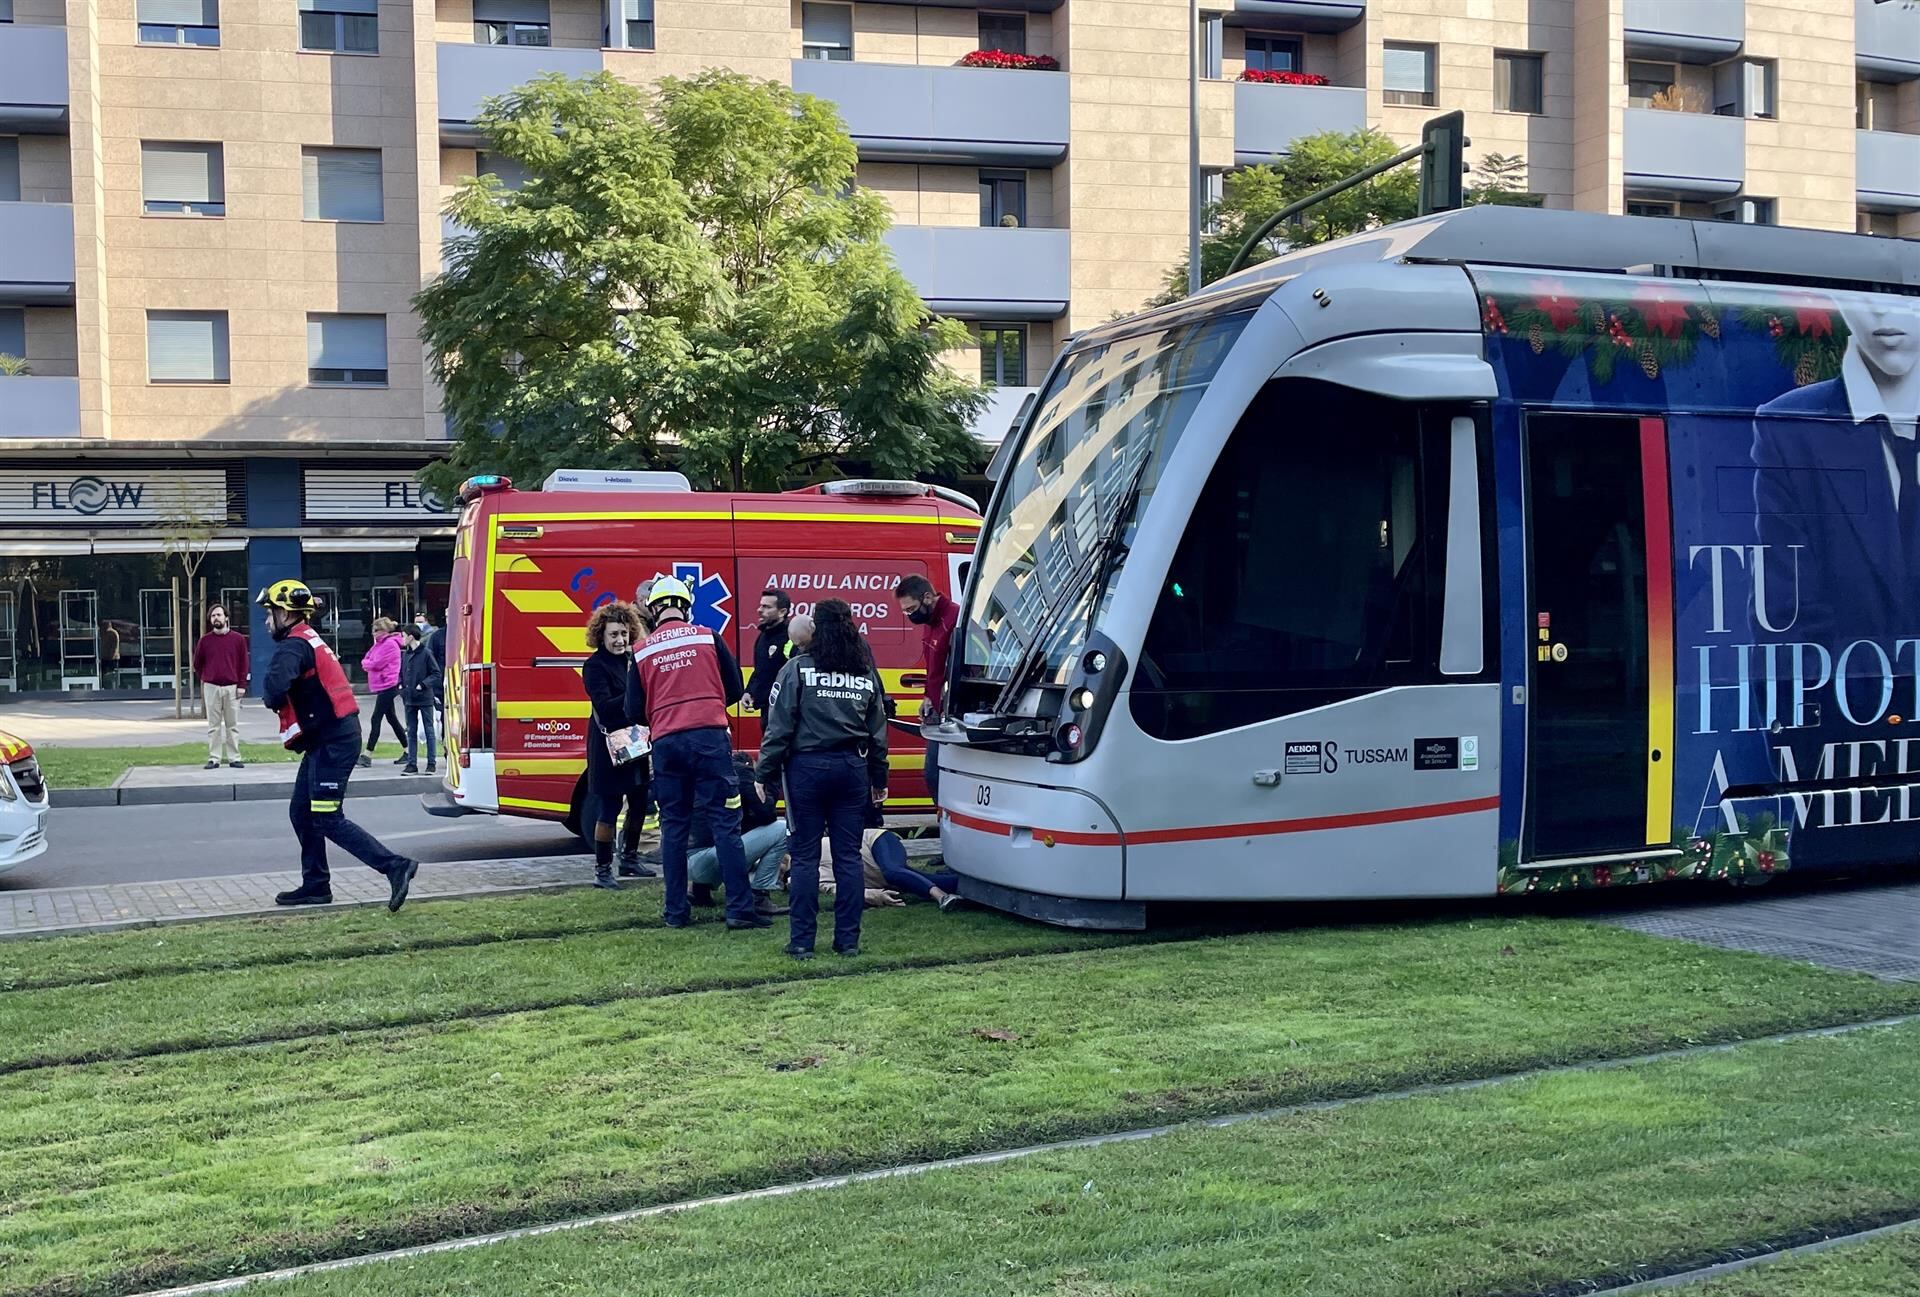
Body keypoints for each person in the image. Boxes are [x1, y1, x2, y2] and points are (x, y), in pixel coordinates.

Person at [256, 580, 417, 910]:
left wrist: (274, 689)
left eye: (269, 613)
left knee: (326, 817)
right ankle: (316, 885)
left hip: (334, 740)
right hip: (329, 737)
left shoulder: (292, 646)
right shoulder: (307, 639)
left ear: (285, 613)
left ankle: (395, 866)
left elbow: (273, 690)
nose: (266, 620)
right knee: (302, 812)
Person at [625, 577, 763, 930]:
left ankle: (675, 913)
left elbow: (632, 710)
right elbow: (734, 689)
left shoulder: (641, 651)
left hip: (668, 744)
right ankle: (740, 912)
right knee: (726, 824)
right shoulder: (708, 637)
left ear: (654, 610)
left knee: (674, 828)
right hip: (709, 739)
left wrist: (664, 712)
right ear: (685, 607)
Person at [757, 597, 889, 960]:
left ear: (815, 628)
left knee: (804, 858)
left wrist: (764, 773)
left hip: (807, 771)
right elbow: (878, 733)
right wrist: (879, 778)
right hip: (853, 770)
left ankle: (801, 942)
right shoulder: (865, 673)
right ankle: (848, 941)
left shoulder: (797, 669)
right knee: (848, 858)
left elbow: (778, 727)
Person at [583, 601, 657, 889]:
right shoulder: (594, 666)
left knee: (639, 803)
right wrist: (637, 701)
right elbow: (604, 704)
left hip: (637, 742)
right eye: (614, 634)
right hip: (607, 747)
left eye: (624, 634)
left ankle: (629, 857)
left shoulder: (633, 661)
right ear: (601, 635)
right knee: (609, 809)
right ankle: (602, 870)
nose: (620, 640)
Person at [689, 750, 789, 918]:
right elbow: (766, 813)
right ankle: (759, 896)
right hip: (708, 860)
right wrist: (767, 784)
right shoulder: (742, 772)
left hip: (684, 864)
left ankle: (700, 891)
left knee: (721, 833)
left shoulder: (701, 771)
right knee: (781, 829)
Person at [782, 825, 964, 911]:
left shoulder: (814, 846)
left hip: (875, 841)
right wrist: (876, 895)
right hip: (884, 878)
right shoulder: (809, 878)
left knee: (893, 871)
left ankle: (941, 897)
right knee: (933, 880)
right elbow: (840, 890)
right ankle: (969, 883)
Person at [896, 574, 959, 804]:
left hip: (954, 712)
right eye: (905, 611)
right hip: (938, 712)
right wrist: (928, 698)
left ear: (928, 597)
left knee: (936, 774)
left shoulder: (954, 619)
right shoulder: (930, 623)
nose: (910, 615)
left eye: (911, 608)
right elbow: (933, 668)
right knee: (933, 774)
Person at [192, 602, 249, 770]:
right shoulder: (205, 641)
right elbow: (197, 663)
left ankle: (234, 758)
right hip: (211, 687)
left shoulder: (238, 639)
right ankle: (214, 758)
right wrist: (206, 678)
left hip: (232, 687)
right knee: (213, 726)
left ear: (226, 617)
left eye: (219, 615)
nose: (216, 618)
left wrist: (242, 685)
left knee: (232, 726)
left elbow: (243, 664)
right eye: (213, 616)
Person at [357, 617, 403, 769]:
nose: (373, 633)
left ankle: (367, 754)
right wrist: (368, 663)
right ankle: (408, 749)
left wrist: (367, 664)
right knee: (392, 719)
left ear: (384, 630)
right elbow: (366, 659)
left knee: (376, 718)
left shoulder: (389, 644)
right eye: (373, 630)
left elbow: (375, 663)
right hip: (383, 685)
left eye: (376, 630)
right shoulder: (379, 644)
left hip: (389, 685)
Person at [398, 624, 438, 777]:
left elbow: (435, 673)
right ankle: (412, 763)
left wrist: (423, 685)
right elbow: (402, 672)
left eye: (403, 635)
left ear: (410, 636)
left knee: (429, 730)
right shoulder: (406, 655)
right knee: (411, 730)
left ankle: (431, 763)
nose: (402, 638)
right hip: (409, 698)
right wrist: (401, 687)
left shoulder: (426, 654)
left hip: (424, 697)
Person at [747, 588, 793, 713]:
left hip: (785, 710)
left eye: (767, 607)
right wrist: (749, 691)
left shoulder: (791, 637)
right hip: (767, 709)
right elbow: (761, 669)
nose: (760, 610)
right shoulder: (763, 635)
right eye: (761, 605)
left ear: (782, 612)